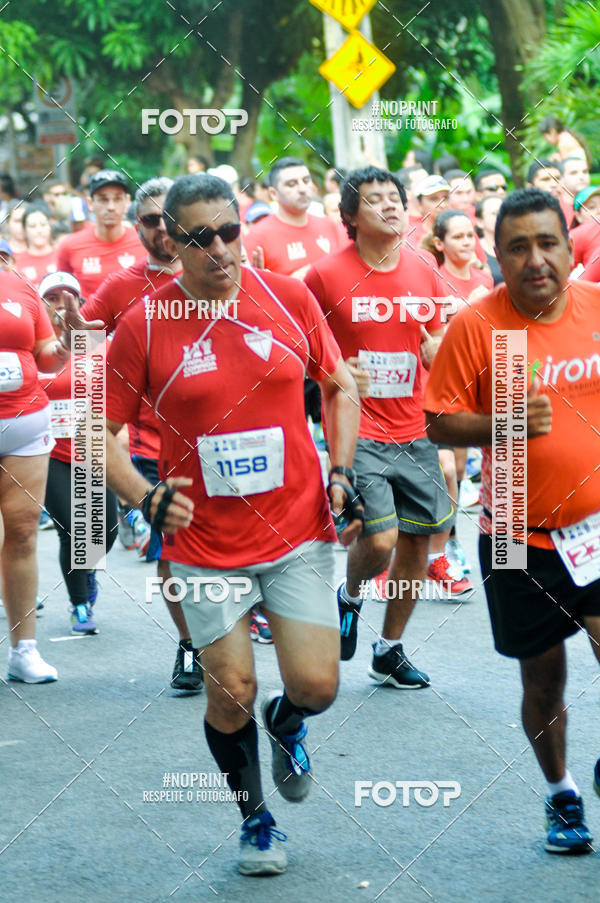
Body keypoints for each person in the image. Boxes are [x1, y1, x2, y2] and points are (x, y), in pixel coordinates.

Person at [100, 173, 362, 875]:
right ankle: (256, 819)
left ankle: (288, 724)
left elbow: (339, 386)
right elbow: (97, 428)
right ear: (170, 241)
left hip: (297, 530)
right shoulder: (146, 322)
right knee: (231, 689)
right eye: (199, 238)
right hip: (205, 543)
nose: (220, 249)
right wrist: (144, 495)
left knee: (316, 686)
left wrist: (341, 471)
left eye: (229, 231)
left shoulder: (287, 295)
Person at [424, 187, 600, 855]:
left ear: (568, 245)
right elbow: (437, 419)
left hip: (596, 526)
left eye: (547, 242)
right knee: (543, 677)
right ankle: (560, 792)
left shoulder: (597, 308)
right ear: (498, 255)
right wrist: (504, 422)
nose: (535, 259)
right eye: (518, 246)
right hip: (517, 536)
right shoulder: (477, 326)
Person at [305, 165, 460, 692]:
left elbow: (437, 341)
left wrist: (438, 351)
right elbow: (300, 352)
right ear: (349, 215)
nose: (391, 206)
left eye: (394, 198)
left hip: (415, 426)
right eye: (375, 200)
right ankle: (351, 593)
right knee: (382, 537)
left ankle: (389, 649)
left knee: (418, 541)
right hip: (358, 428)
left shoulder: (423, 267)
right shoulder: (324, 276)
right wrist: (339, 369)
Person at [78, 176, 204, 691]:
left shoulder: (214, 274)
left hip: (217, 439)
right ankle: (190, 645)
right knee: (173, 549)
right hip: (152, 444)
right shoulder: (121, 287)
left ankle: (238, 617)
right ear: (139, 228)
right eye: (150, 221)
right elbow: (81, 344)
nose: (160, 230)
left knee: (230, 543)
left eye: (166, 220)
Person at [38, 272, 118, 633]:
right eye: (51, 297)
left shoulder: (99, 345)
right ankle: (79, 605)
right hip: (49, 452)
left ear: (80, 303)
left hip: (95, 449)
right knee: (72, 526)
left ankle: (86, 571)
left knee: (106, 528)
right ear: (40, 306)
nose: (59, 304)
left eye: (67, 296)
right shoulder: (33, 349)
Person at [1, 268, 69, 682]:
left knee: (24, 531)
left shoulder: (18, 283)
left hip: (25, 421)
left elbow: (45, 351)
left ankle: (24, 650)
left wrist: (63, 343)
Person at [243, 156, 343, 279]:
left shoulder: (328, 225)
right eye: (292, 184)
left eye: (306, 181)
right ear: (273, 193)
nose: (302, 189)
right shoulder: (257, 236)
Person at [56, 169, 144, 298]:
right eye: (103, 199)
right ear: (90, 203)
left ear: (127, 202)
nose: (111, 207)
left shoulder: (144, 242)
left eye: (117, 199)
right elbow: (61, 295)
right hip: (88, 317)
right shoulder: (69, 245)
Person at [15, 204, 58, 286]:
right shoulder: (16, 262)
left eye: (43, 225)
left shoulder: (61, 255)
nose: (39, 230)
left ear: (50, 226)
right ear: (24, 230)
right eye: (32, 226)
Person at [475, 195, 503, 285]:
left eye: (503, 212)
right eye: (495, 213)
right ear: (480, 222)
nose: (500, 216)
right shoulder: (472, 251)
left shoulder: (520, 247)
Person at [559, 156, 590, 229]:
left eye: (585, 172)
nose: (581, 177)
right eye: (573, 173)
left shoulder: (598, 200)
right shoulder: (556, 207)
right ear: (561, 179)